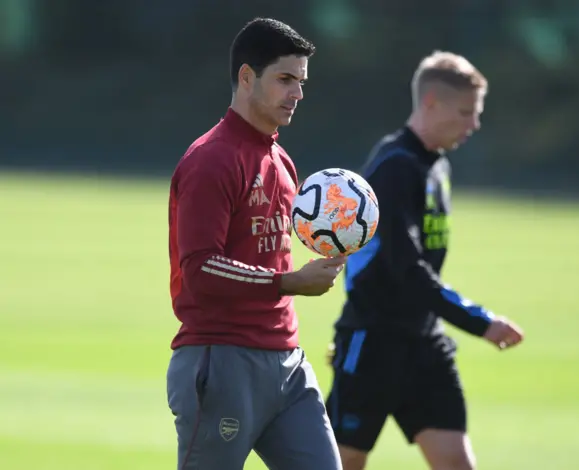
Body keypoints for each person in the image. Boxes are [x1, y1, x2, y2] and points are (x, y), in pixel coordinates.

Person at [325, 51, 525, 470]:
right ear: (431, 103)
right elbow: (406, 268)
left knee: (456, 463)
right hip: (374, 342)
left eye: (477, 113)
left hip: (423, 344)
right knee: (342, 463)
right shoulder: (396, 167)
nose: (474, 125)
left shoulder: (435, 166)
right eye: (466, 113)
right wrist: (479, 321)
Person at [166, 17, 345, 470]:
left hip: (287, 362)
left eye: (301, 82)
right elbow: (200, 269)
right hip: (223, 358)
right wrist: (289, 281)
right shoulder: (211, 160)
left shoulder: (280, 158)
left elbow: (271, 250)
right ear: (247, 77)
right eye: (285, 79)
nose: (297, 93)